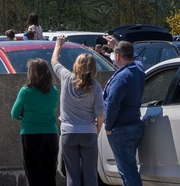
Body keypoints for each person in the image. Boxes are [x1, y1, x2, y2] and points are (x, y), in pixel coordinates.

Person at [52, 36, 104, 186]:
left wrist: (58, 45)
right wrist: (96, 131)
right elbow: (100, 114)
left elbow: (54, 62)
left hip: (68, 132)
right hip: (89, 132)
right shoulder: (96, 87)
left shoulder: (66, 78)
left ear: (76, 65)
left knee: (72, 175)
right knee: (90, 175)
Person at [11, 58, 59, 186]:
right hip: (50, 135)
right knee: (49, 174)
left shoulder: (25, 91)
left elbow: (14, 114)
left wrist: (25, 117)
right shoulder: (54, 91)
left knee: (33, 174)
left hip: (30, 135)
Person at [103, 40, 145, 186]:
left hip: (121, 129)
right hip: (134, 126)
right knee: (129, 169)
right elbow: (137, 58)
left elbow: (112, 104)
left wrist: (107, 126)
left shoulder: (122, 77)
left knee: (128, 172)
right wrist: (116, 45)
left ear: (118, 57)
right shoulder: (138, 70)